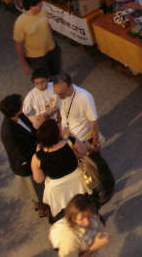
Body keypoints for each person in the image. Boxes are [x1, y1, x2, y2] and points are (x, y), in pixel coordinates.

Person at [54, 73, 114, 203]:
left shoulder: (84, 97)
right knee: (82, 167)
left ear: (70, 86)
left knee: (97, 164)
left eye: (61, 93)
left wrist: (95, 142)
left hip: (85, 139)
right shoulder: (60, 96)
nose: (59, 96)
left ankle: (108, 187)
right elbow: (61, 111)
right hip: (69, 139)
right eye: (57, 93)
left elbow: (94, 122)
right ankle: (92, 189)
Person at [32, 118, 90, 223]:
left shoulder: (38, 157)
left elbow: (39, 179)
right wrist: (70, 136)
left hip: (56, 190)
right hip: (77, 182)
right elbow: (84, 152)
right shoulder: (69, 143)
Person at [0, 94, 46, 217]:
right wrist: (37, 156)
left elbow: (31, 130)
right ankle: (42, 208)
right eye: (21, 103)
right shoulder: (9, 132)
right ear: (15, 110)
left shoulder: (20, 116)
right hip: (26, 165)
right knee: (36, 189)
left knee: (39, 187)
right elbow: (19, 154)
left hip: (34, 154)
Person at [14, 0, 61, 76]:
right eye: (39, 4)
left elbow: (48, 25)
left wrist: (52, 41)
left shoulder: (42, 12)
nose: (42, 5)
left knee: (56, 73)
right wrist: (24, 64)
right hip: (36, 58)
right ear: (32, 6)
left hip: (52, 50)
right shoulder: (20, 23)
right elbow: (18, 45)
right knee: (44, 79)